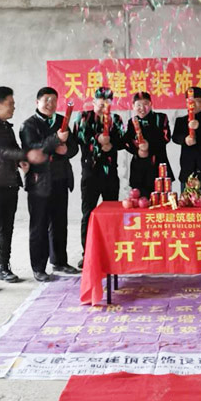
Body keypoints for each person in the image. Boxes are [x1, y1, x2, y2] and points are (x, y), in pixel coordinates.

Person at [0, 86, 46, 293]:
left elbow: (14, 150)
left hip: (10, 184)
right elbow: (0, 151)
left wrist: (21, 161)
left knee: (7, 229)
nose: (14, 107)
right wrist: (27, 156)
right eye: (10, 104)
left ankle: (3, 267)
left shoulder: (6, 127)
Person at [20, 87, 79, 281]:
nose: (50, 104)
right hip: (39, 183)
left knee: (60, 223)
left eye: (54, 100)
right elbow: (33, 150)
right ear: (37, 102)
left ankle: (60, 261)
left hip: (60, 179)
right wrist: (56, 140)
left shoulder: (63, 121)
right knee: (39, 226)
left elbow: (74, 148)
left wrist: (65, 149)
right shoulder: (28, 125)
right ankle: (38, 267)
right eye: (46, 100)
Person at [73, 86, 125, 269]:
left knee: (112, 214)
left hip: (110, 173)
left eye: (107, 104)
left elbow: (123, 140)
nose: (104, 108)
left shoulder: (116, 119)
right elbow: (78, 136)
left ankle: (112, 251)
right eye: (101, 104)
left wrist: (112, 144)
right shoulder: (83, 117)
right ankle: (87, 253)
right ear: (94, 102)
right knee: (88, 214)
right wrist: (97, 138)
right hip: (91, 173)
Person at [172, 86, 201, 199]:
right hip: (187, 171)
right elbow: (175, 137)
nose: (193, 105)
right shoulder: (180, 121)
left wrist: (197, 125)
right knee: (187, 205)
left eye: (197, 101)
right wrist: (185, 140)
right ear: (186, 103)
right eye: (190, 102)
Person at [124, 91, 174, 198]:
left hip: (158, 167)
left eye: (145, 104)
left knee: (162, 202)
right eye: (138, 105)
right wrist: (138, 151)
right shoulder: (131, 122)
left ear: (151, 104)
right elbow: (126, 142)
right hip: (139, 170)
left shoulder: (160, 118)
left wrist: (149, 146)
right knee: (139, 203)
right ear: (133, 106)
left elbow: (166, 137)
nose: (142, 108)